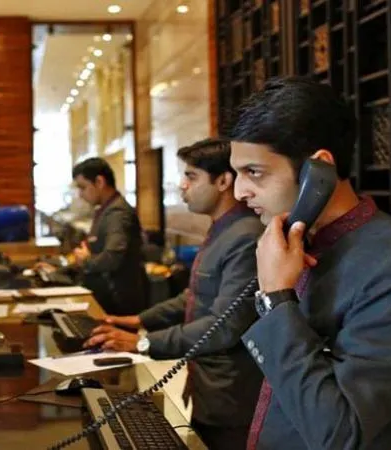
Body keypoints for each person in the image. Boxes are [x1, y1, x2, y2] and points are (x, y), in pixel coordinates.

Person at [229, 76, 391, 449]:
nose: (239, 191)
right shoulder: (288, 247)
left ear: (318, 171)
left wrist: (277, 299)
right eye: (236, 173)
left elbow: (341, 434)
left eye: (254, 172)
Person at [85, 139, 264, 449]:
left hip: (231, 395)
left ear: (223, 181)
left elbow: (225, 324)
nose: (182, 185)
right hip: (207, 385)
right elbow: (194, 296)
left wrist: (144, 342)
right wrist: (139, 320)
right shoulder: (223, 228)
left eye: (191, 177)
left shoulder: (245, 236)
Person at [67, 157, 148, 315]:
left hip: (118, 303)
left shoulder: (117, 212)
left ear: (99, 182)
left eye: (83, 187)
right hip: (108, 298)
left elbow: (112, 257)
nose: (81, 195)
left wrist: (86, 261)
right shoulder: (106, 208)